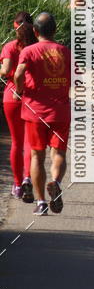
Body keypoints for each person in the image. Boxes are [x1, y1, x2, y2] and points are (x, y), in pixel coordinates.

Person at [13, 13, 71, 216]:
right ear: (55, 31)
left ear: (35, 32)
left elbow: (19, 73)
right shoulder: (65, 51)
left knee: (37, 156)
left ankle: (41, 203)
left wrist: (19, 90)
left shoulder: (29, 51)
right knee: (59, 153)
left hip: (35, 111)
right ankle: (55, 182)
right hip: (60, 112)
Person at [1, 12, 37, 201]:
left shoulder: (10, 47)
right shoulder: (36, 47)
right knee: (29, 142)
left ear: (14, 26)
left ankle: (16, 185)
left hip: (12, 97)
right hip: (32, 97)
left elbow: (6, 70)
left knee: (16, 142)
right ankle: (27, 178)